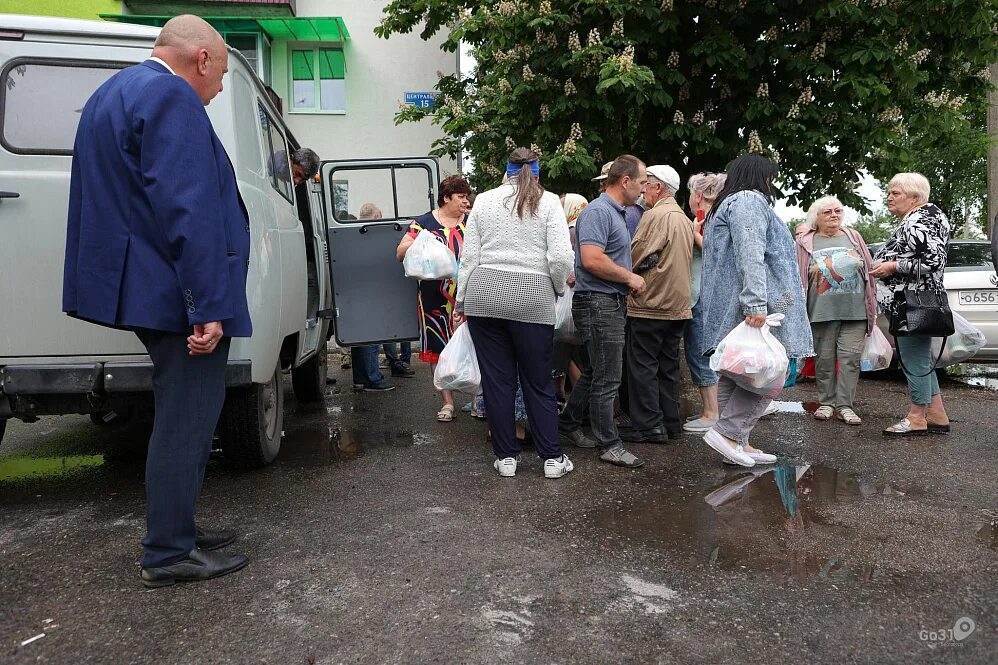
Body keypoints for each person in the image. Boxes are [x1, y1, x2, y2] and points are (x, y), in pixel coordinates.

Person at [62, 15, 250, 587]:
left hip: (140, 282)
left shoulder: (112, 92)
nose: (217, 90)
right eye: (219, 76)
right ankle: (168, 551)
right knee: (187, 417)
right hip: (173, 291)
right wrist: (206, 304)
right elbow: (187, 210)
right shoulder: (172, 98)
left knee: (183, 412)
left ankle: (180, 527)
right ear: (200, 59)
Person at [456, 147, 575, 478]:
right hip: (532, 297)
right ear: (537, 172)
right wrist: (556, 289)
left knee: (497, 381)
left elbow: (470, 257)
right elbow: (562, 258)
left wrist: (461, 301)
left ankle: (506, 458)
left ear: (504, 171)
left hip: (485, 295)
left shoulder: (484, 201)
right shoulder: (549, 201)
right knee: (538, 380)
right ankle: (552, 459)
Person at [698, 154, 813, 467]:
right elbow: (751, 254)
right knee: (768, 372)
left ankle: (738, 440)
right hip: (755, 305)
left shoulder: (730, 202)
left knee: (739, 372)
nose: (772, 183)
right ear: (760, 176)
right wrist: (755, 304)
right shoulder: (749, 200)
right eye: (770, 177)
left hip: (737, 303)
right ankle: (729, 433)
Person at [559, 155, 648, 468]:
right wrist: (629, 276)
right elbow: (591, 259)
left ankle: (568, 424)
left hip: (605, 301)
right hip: (599, 302)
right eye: (641, 181)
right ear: (625, 181)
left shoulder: (613, 212)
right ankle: (609, 444)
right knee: (608, 377)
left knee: (597, 372)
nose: (644, 187)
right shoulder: (599, 211)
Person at [870, 173, 951, 436]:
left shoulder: (918, 220)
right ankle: (937, 414)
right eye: (890, 192)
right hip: (920, 299)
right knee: (920, 357)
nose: (889, 197)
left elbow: (933, 261)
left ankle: (917, 417)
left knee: (914, 358)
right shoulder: (929, 216)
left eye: (896, 193)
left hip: (911, 301)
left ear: (915, 198)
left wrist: (892, 266)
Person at [623, 164, 693, 443]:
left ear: (658, 187)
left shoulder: (655, 215)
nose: (642, 188)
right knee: (668, 366)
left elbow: (636, 254)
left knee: (643, 366)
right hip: (678, 306)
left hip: (651, 303)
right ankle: (670, 422)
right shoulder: (683, 218)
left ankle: (649, 426)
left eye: (647, 183)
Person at [396, 174, 473, 421]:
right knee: (437, 347)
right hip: (433, 298)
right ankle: (447, 403)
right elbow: (400, 253)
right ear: (446, 198)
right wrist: (421, 242)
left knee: (474, 346)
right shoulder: (423, 223)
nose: (465, 201)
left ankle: (476, 400)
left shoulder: (473, 222)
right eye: (461, 197)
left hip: (468, 296)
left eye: (466, 196)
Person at [795, 196, 877, 425]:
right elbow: (796, 273)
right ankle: (826, 403)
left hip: (855, 311)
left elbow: (869, 269)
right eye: (827, 212)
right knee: (824, 359)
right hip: (821, 311)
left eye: (838, 211)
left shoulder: (853, 236)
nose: (834, 215)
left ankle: (845, 406)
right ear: (816, 217)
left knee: (850, 359)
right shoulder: (805, 241)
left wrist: (873, 304)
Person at [682, 172, 726, 433]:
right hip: (709, 295)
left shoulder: (705, 219)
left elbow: (713, 251)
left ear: (698, 196)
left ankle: (711, 413)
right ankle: (714, 410)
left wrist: (693, 233)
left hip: (701, 296)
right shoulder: (720, 215)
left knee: (700, 352)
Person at [347, 203, 397, 392]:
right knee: (372, 337)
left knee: (358, 338)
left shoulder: (350, 232)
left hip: (354, 294)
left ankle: (360, 379)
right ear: (376, 216)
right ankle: (373, 379)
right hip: (371, 292)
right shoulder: (372, 233)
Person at [593, 161, 643, 238]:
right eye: (601, 182)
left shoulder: (630, 212)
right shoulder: (605, 209)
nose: (602, 186)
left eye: (606, 182)